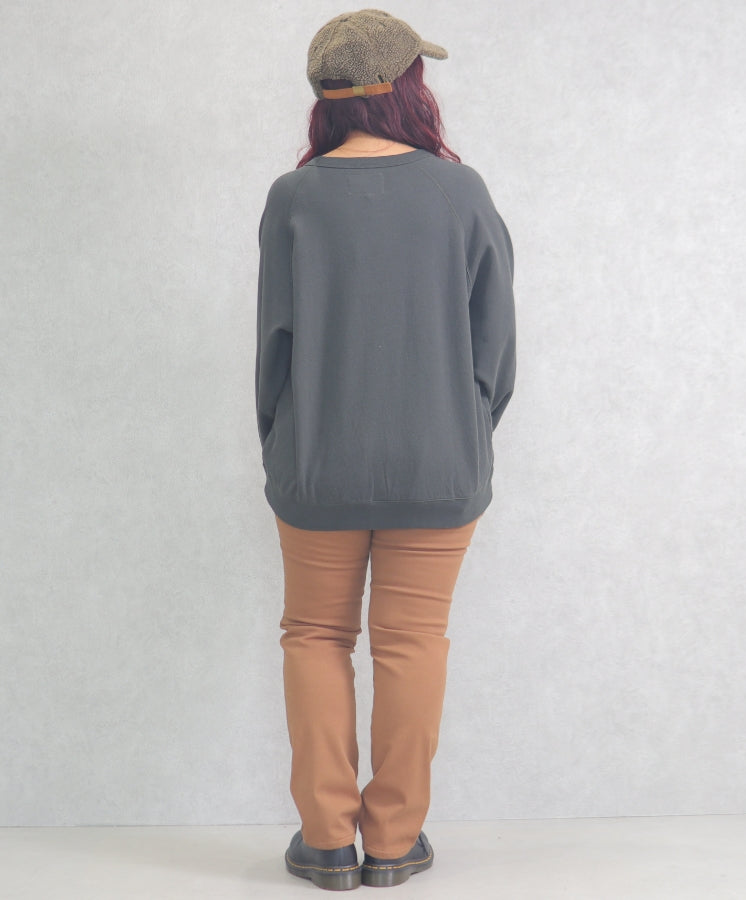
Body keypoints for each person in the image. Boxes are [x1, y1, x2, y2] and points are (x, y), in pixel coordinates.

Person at [256, 8, 517, 891]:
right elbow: (495, 348)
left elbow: (275, 346)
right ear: (408, 87)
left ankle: (327, 842)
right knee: (412, 643)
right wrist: (464, 432)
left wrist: (283, 450)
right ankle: (396, 844)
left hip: (317, 466)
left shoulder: (295, 198)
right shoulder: (461, 191)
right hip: (440, 465)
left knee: (314, 636)